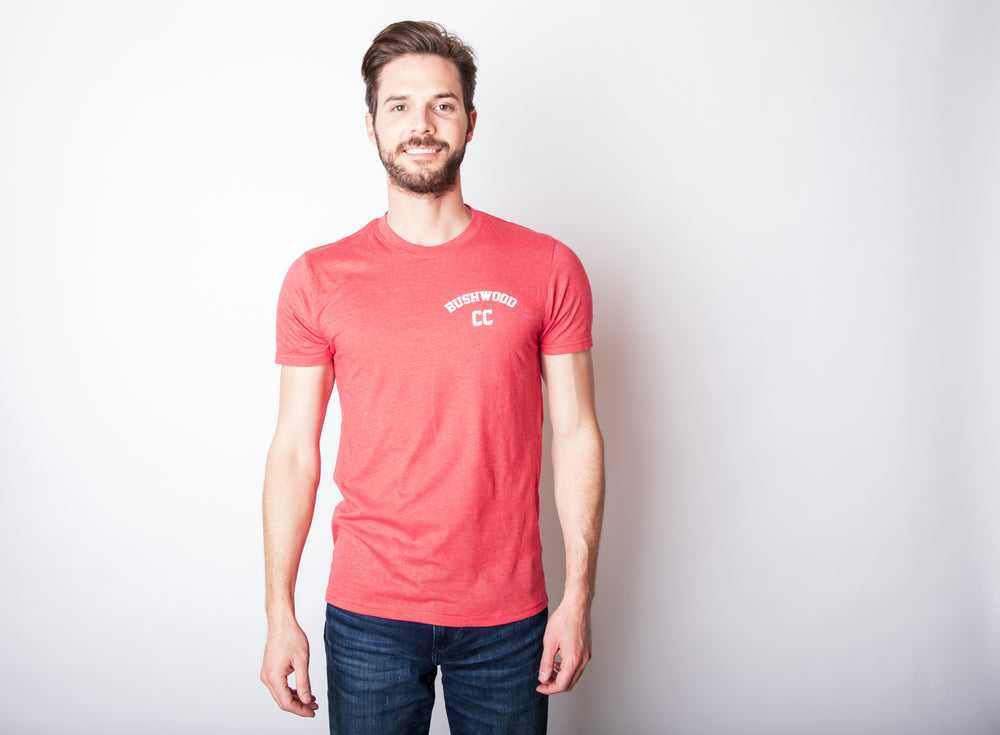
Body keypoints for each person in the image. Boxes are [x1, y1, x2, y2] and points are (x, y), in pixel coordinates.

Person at [260, 20, 605, 735]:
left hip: (509, 617)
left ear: (471, 122)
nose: (421, 124)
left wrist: (578, 597)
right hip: (369, 616)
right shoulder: (318, 278)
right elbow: (294, 448)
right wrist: (278, 611)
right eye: (399, 105)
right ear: (371, 124)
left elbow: (576, 433)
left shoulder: (547, 266)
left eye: (442, 105)